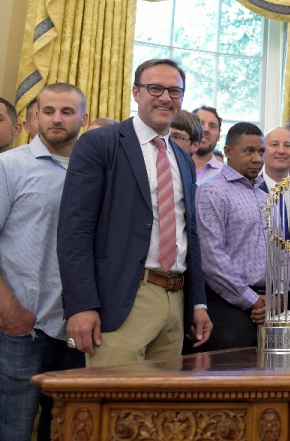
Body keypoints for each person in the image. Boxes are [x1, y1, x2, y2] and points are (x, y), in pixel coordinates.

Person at [58, 59, 212, 366]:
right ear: (136, 92)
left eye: (174, 91)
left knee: (162, 412)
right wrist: (80, 305)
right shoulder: (100, 144)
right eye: (155, 88)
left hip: (175, 301)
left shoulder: (182, 158)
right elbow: (75, 230)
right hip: (120, 300)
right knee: (114, 410)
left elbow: (188, 233)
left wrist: (198, 302)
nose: (165, 97)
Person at [0, 83, 87, 441]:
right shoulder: (10, 166)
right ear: (34, 117)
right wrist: (9, 309)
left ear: (83, 120)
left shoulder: (92, 172)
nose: (56, 119)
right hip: (22, 328)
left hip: (74, 330)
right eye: (48, 110)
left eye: (67, 112)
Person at [194, 122, 269, 351]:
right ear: (228, 152)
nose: (257, 159)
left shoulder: (266, 197)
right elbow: (212, 258)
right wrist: (251, 299)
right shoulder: (211, 191)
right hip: (228, 308)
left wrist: (276, 296)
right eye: (249, 151)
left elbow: (280, 250)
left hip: (267, 308)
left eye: (261, 152)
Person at [192, 105, 224, 184]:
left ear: (219, 136)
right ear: (189, 129)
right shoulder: (173, 165)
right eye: (200, 124)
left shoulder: (225, 174)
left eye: (212, 126)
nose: (206, 129)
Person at [262, 126, 290, 191]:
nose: (281, 151)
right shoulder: (249, 189)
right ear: (262, 151)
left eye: (287, 145)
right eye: (274, 144)